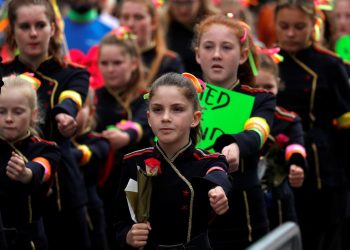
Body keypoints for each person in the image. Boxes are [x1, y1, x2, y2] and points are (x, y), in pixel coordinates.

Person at [2, 0, 91, 249]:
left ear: (53, 28)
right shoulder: (2, 74)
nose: (33, 33)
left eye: (40, 25)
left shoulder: (73, 72)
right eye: (25, 26)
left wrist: (65, 115)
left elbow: (71, 98)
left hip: (63, 189)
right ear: (12, 31)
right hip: (11, 191)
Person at [114, 72, 231, 249]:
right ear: (149, 118)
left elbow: (218, 175)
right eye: (157, 109)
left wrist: (219, 191)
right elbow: (120, 221)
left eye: (177, 109)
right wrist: (128, 236)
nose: (166, 117)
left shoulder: (209, 160)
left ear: (195, 118)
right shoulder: (134, 162)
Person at [194, 14, 276, 249]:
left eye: (226, 47)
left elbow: (258, 131)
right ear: (198, 54)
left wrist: (237, 144)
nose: (217, 54)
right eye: (208, 47)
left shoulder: (259, 99)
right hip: (188, 212)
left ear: (242, 55)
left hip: (242, 216)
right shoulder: (182, 96)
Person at [274, 0, 350, 249]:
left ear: (314, 25)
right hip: (276, 162)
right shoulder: (265, 62)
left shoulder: (331, 65)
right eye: (284, 26)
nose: (291, 34)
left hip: (322, 168)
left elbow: (345, 121)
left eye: (299, 26)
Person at [95, 27, 154, 248]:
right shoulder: (95, 99)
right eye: (105, 63)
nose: (110, 69)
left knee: (140, 235)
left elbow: (143, 124)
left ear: (133, 63)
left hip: (140, 181)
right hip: (104, 181)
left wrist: (127, 135)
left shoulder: (145, 97)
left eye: (117, 63)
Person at [0, 74, 61, 250]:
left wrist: (26, 173)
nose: (9, 118)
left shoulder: (46, 148)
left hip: (29, 240)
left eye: (18, 112)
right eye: (1, 111)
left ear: (33, 114)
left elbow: (43, 168)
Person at [253, 52, 306, 229]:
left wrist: (296, 165)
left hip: (279, 200)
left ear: (278, 84)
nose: (262, 93)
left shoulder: (288, 119)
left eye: (268, 87)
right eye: (255, 87)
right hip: (246, 199)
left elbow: (296, 145)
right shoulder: (236, 118)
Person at [71, 87, 110, 250]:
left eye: (77, 108)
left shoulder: (98, 141)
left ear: (91, 112)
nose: (68, 114)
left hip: (89, 211)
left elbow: (84, 154)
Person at [119, 0, 184, 85]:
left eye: (138, 17)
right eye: (125, 17)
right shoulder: (109, 58)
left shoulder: (169, 62)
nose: (130, 24)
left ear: (153, 23)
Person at [159, 0, 219, 77]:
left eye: (189, 2)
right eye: (177, 2)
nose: (183, 9)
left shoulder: (214, 25)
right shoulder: (161, 26)